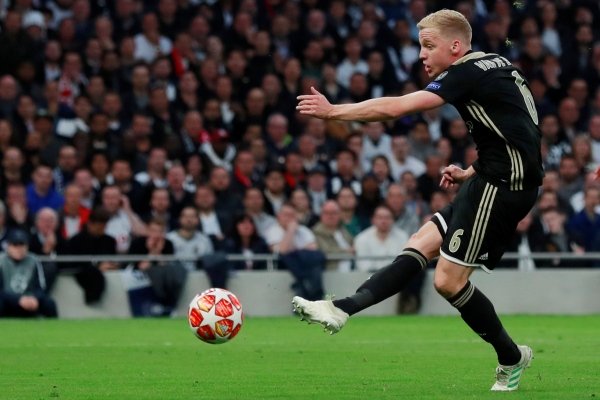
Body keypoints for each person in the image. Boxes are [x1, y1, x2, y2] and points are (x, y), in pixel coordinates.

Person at [293, 10, 543, 392]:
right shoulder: (497, 63)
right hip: (492, 178)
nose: (422, 55)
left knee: (447, 280)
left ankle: (511, 357)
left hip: (504, 188)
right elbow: (518, 132)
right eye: (420, 46)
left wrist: (333, 112)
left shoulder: (465, 72)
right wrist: (471, 171)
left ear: (455, 47)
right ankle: (340, 308)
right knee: (419, 245)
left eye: (429, 46)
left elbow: (396, 108)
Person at [0, 229, 57, 318]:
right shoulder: (1, 261)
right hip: (7, 299)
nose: (19, 249)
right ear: (8, 246)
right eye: (15, 245)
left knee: (49, 303)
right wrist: (18, 299)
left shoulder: (33, 260)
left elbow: (40, 287)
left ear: (27, 246)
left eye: (22, 245)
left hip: (29, 299)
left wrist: (35, 298)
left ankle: (54, 330)